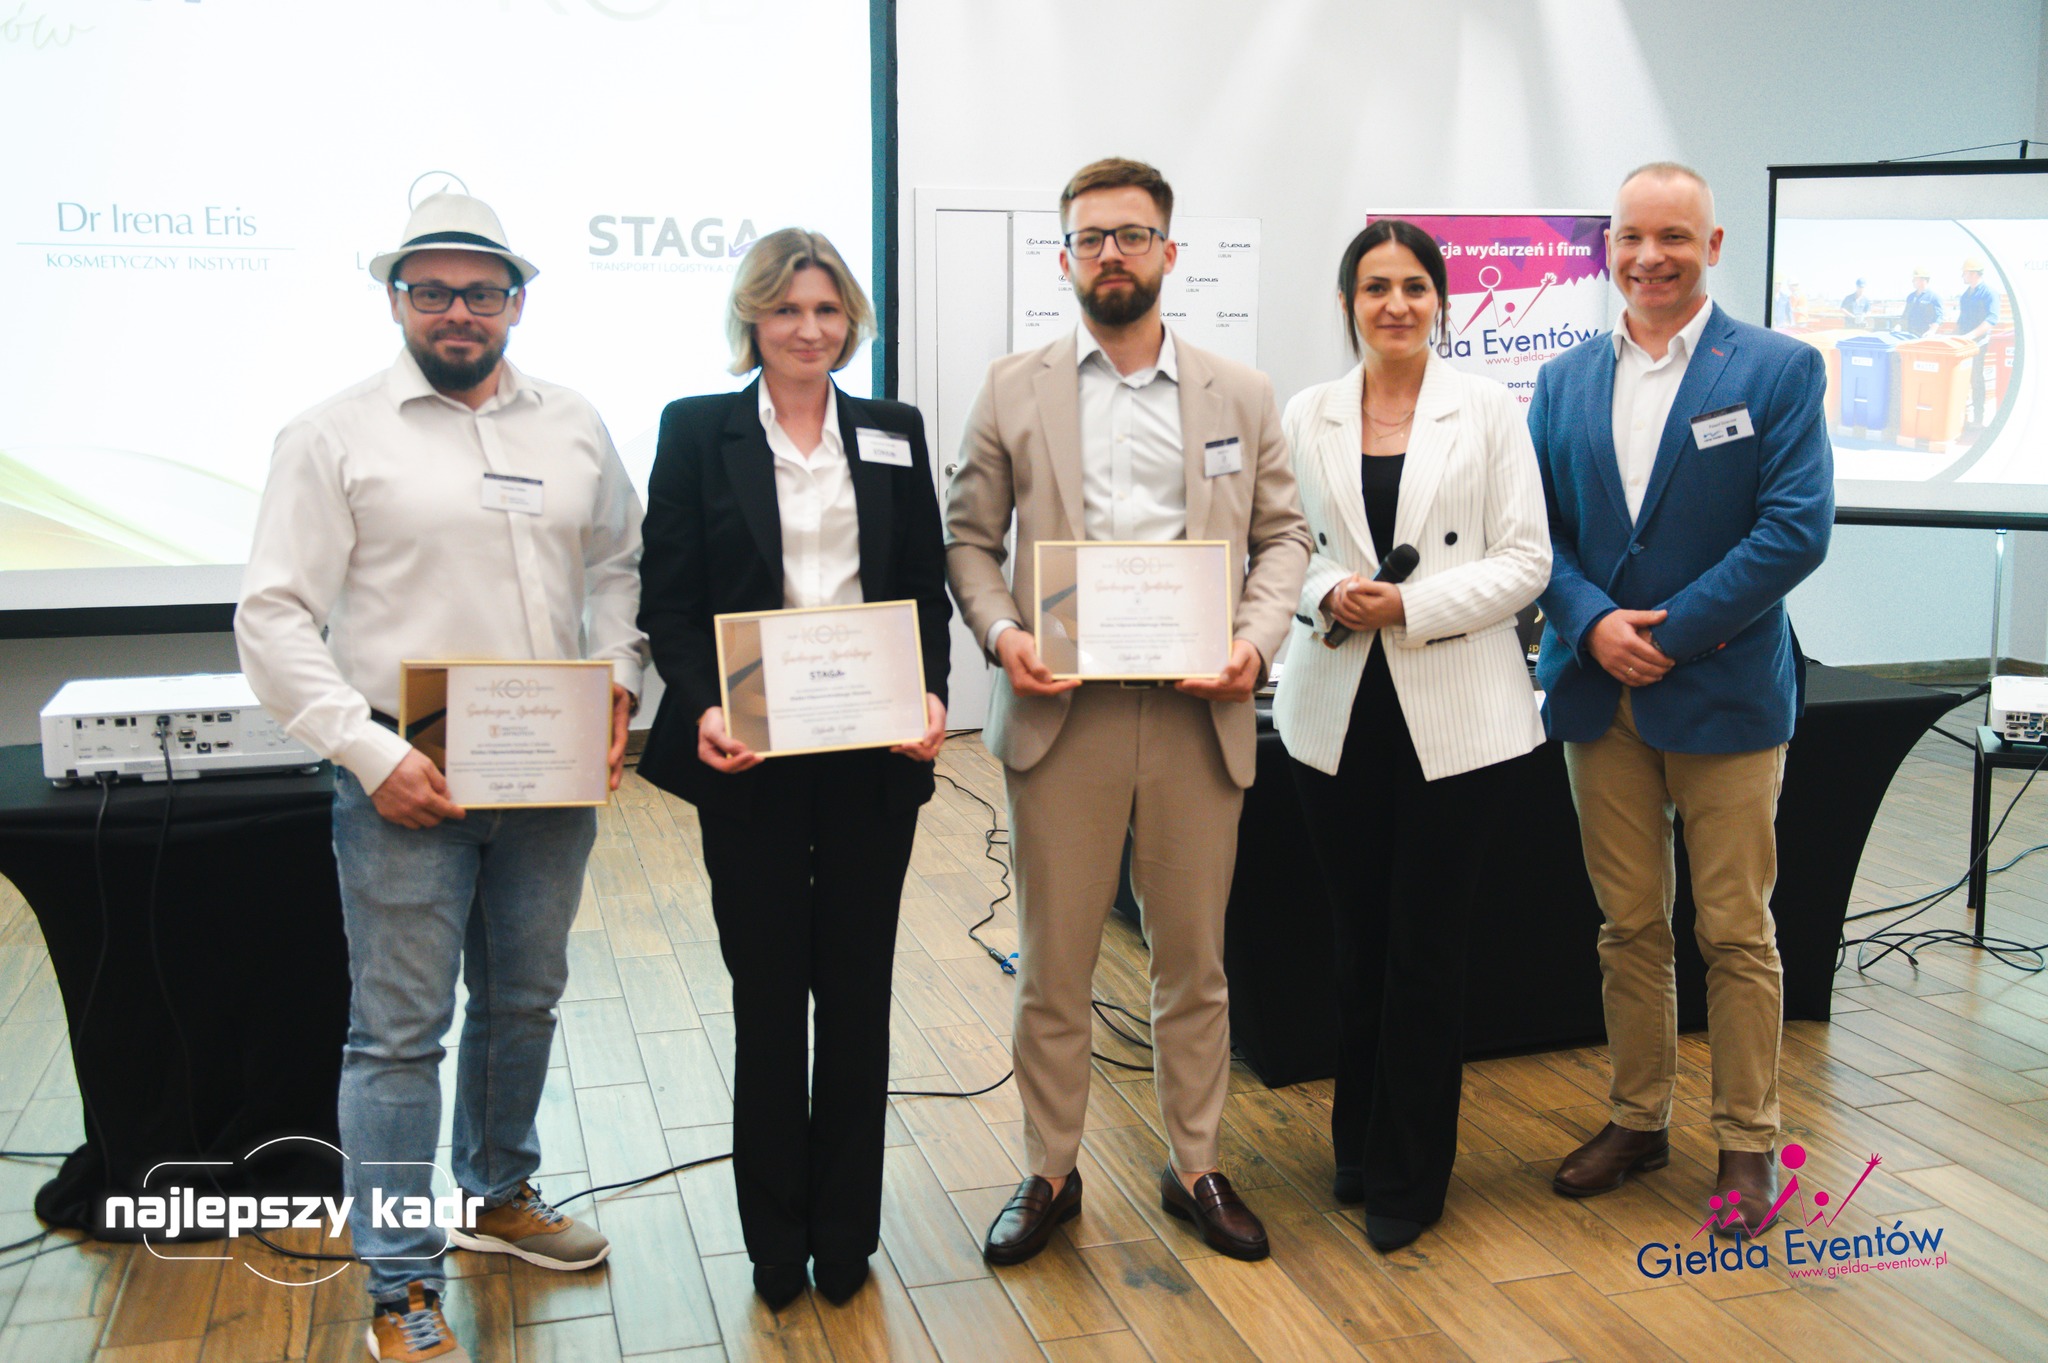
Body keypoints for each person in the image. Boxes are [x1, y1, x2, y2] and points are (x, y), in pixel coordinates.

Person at [238, 193, 643, 1363]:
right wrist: (370, 754)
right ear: (396, 301)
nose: (457, 311)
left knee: (523, 1000)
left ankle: (500, 1194)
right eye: (432, 291)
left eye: (480, 292)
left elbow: (619, 558)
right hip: (401, 777)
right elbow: (272, 616)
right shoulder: (331, 434)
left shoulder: (572, 423)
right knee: (398, 1034)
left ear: (516, 301)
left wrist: (619, 678)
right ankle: (400, 1277)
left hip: (550, 773)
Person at [947, 157, 1311, 1266]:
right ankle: (1050, 1170)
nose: (1112, 253)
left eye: (1133, 234)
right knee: (1054, 963)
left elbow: (1284, 537)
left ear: (1167, 251)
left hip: (1200, 714)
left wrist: (1254, 642)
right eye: (1091, 237)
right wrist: (1003, 635)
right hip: (1063, 716)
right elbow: (968, 540)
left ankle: (1195, 1163)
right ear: (1065, 257)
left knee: (1193, 962)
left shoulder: (1239, 392)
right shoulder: (1012, 388)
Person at [634, 228, 950, 1310]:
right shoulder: (696, 430)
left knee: (857, 997)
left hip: (870, 753)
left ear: (850, 320)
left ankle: (845, 1231)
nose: (808, 329)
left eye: (825, 310)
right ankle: (774, 1239)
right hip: (754, 755)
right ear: (752, 319)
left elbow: (922, 584)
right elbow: (669, 600)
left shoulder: (892, 430)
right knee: (767, 998)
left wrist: (931, 693)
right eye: (785, 309)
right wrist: (702, 704)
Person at [1529, 163, 1832, 1237]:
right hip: (1595, 693)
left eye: (1671, 236)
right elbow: (1537, 535)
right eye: (1629, 237)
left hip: (1723, 691)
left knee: (1736, 931)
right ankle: (1636, 1118)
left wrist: (1665, 633)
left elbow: (1793, 530)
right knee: (1627, 926)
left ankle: (1746, 1139)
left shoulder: (1778, 369)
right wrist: (1590, 623)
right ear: (1606, 247)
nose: (1647, 256)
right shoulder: (1562, 379)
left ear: (1712, 245)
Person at [1273, 219, 1550, 1252]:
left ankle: (1408, 1173)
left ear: (1441, 300)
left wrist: (1408, 606)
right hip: (1334, 706)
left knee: (1425, 950)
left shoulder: (1487, 409)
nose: (1395, 304)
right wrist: (1325, 591)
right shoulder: (1304, 412)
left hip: (1458, 715)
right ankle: (1355, 1143)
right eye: (1375, 286)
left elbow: (1525, 560)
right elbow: (1277, 544)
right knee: (1358, 942)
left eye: (1414, 286)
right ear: (1348, 302)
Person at [1955, 257, 2000, 427]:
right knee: (1961, 378)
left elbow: (1991, 319)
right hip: (1963, 344)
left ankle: (1978, 418)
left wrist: (1971, 336)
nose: (1962, 276)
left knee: (1975, 379)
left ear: (1973, 274)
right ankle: (1961, 416)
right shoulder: (1965, 296)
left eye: (1964, 273)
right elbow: (1961, 320)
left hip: (1978, 344)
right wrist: (1953, 337)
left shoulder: (1989, 293)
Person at [1900, 268, 1942, 337]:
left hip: (1924, 335)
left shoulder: (1933, 297)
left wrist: (1931, 331)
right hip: (1910, 334)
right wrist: (1899, 325)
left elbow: (1938, 317)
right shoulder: (1911, 297)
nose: (1912, 281)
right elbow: (1905, 315)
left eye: (1915, 279)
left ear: (1923, 280)